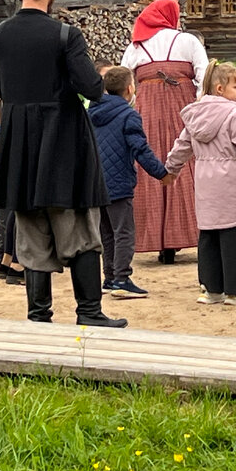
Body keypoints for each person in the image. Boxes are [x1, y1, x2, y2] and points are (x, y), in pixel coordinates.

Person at [0, 0, 126, 328]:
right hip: (63, 139)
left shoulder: (0, 34)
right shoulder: (65, 35)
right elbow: (93, 87)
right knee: (78, 226)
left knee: (31, 230)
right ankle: (89, 312)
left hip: (18, 140)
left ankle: (38, 315)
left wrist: (22, 100)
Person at [164, 61, 236, 306]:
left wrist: (170, 169)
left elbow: (182, 146)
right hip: (229, 180)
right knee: (233, 235)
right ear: (219, 88)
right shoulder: (233, 114)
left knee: (208, 235)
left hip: (204, 181)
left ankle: (212, 288)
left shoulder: (194, 114)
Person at [120, 0, 208, 265]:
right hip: (184, 110)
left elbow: (124, 79)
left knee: (150, 162)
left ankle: (158, 241)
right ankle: (186, 233)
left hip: (147, 112)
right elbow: (204, 76)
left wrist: (132, 106)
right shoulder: (189, 41)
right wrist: (201, 103)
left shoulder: (136, 46)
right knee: (185, 162)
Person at [88, 66, 169, 299]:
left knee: (106, 231)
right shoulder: (128, 115)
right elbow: (140, 149)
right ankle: (122, 278)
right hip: (119, 181)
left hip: (96, 182)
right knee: (124, 231)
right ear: (130, 88)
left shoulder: (92, 113)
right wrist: (161, 173)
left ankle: (110, 277)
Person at [0, 94, 23, 284]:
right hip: (8, 161)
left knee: (5, 210)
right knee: (11, 211)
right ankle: (7, 257)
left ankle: (3, 257)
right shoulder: (9, 104)